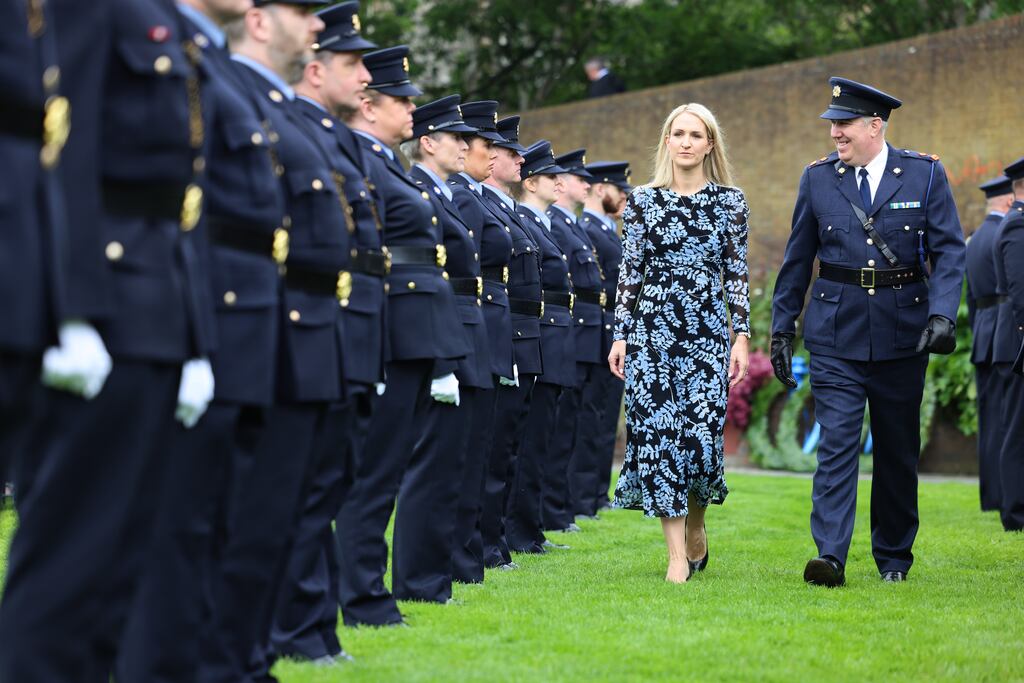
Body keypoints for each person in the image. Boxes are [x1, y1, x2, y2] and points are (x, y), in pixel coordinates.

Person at [1, 1, 217, 679]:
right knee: (70, 570)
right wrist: (71, 309)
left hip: (156, 310)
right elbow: (64, 135)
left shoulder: (172, 25)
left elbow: (181, 195)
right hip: (105, 306)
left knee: (117, 576)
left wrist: (195, 337)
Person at [770, 78, 966, 587]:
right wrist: (781, 327)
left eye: (844, 124)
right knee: (836, 444)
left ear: (875, 126)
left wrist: (944, 313)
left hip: (904, 334)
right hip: (836, 332)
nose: (835, 133)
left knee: (897, 448)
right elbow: (797, 260)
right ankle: (830, 556)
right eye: (833, 124)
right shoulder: (818, 179)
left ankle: (894, 558)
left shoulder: (924, 175)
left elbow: (949, 251)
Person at [334, 44, 468, 627]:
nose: (412, 109)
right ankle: (361, 595)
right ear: (368, 106)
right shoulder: (361, 160)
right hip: (390, 327)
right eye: (401, 99)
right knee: (373, 474)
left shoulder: (386, 162)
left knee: (386, 469)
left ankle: (367, 591)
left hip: (415, 329)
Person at [269, 0, 380, 669]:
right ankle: (297, 627)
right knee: (297, 489)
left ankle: (312, 626)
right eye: (352, 63)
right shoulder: (291, 123)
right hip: (298, 321)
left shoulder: (333, 135)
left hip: (338, 325)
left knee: (326, 483)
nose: (364, 76)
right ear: (315, 71)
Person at [608, 103, 749, 584]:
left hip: (707, 334)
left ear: (711, 144)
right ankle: (673, 556)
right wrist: (621, 334)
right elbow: (630, 274)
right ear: (666, 141)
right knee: (661, 439)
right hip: (653, 334)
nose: (686, 142)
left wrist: (741, 337)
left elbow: (736, 274)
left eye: (696, 134)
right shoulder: (643, 202)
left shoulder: (731, 203)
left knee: (701, 442)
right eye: (678, 133)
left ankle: (696, 521)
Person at [394, 93, 489, 603]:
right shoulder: (418, 190)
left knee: (451, 462)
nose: (464, 146)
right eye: (455, 138)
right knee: (430, 463)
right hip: (439, 329)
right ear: (428, 143)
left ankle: (434, 576)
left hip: (460, 331)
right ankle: (416, 578)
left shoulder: (443, 193)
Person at [448, 100, 520, 570]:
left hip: (491, 324)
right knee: (469, 448)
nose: (492, 154)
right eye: (483, 145)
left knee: (488, 447)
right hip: (471, 322)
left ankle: (477, 547)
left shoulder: (474, 195)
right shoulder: (460, 195)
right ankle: (466, 549)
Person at [507, 141, 577, 554]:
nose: (560, 183)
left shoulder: (543, 223)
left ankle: (530, 529)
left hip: (553, 340)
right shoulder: (524, 220)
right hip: (538, 338)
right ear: (531, 183)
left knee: (542, 440)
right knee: (528, 441)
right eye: (552, 177)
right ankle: (520, 531)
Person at [545, 149, 601, 535]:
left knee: (582, 423)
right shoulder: (557, 225)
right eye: (580, 179)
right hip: (573, 328)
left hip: (585, 330)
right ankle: (561, 506)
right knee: (565, 425)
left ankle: (570, 504)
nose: (587, 185)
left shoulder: (573, 226)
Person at [579, 161, 631, 515]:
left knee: (605, 418)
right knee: (590, 417)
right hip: (595, 326)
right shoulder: (588, 230)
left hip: (611, 327)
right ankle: (583, 496)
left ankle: (596, 493)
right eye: (620, 192)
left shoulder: (610, 231)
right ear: (601, 189)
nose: (625, 199)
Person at [966, 175, 1014, 512]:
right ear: (1009, 201)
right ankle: (1008, 495)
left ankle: (991, 496)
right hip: (1006, 331)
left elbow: (970, 298)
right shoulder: (1008, 234)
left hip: (983, 333)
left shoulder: (975, 239)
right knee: (1009, 420)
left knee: (990, 419)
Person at [991, 156, 1024, 532]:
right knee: (1016, 428)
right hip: (1017, 341)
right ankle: (1015, 512)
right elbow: (1020, 292)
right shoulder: (1017, 225)